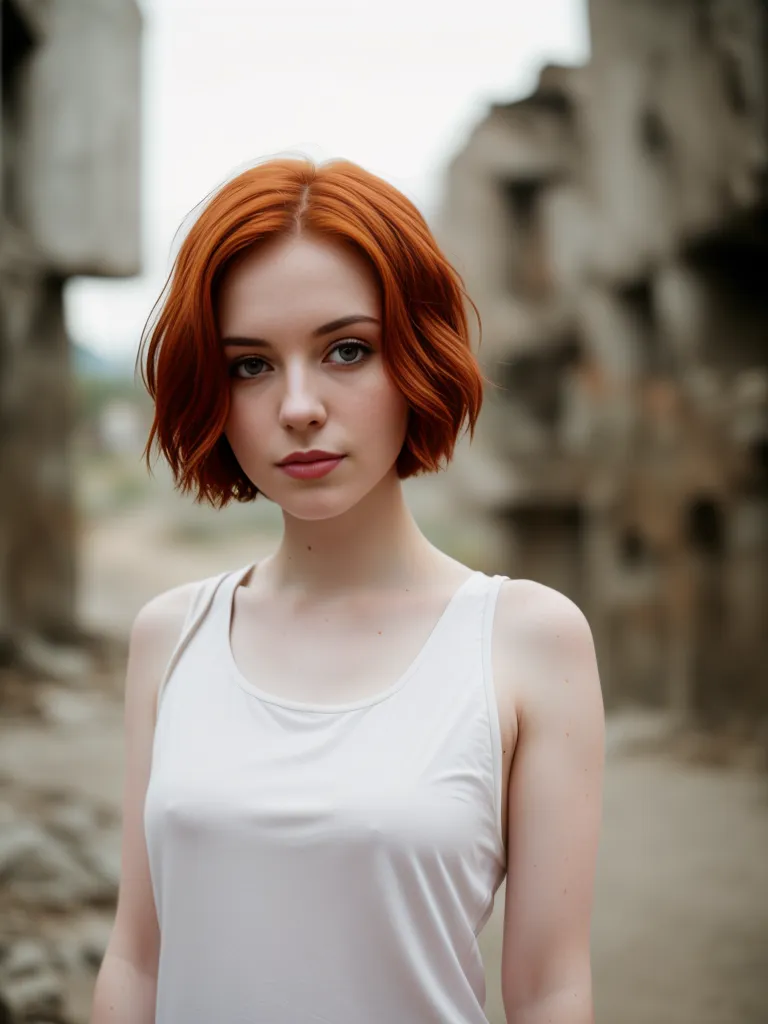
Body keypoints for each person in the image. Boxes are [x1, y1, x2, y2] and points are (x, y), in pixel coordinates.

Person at [89, 156, 605, 1024]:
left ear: (416, 356)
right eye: (250, 365)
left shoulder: (526, 639)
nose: (298, 405)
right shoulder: (170, 635)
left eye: (347, 350)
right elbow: (137, 960)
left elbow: (551, 988)